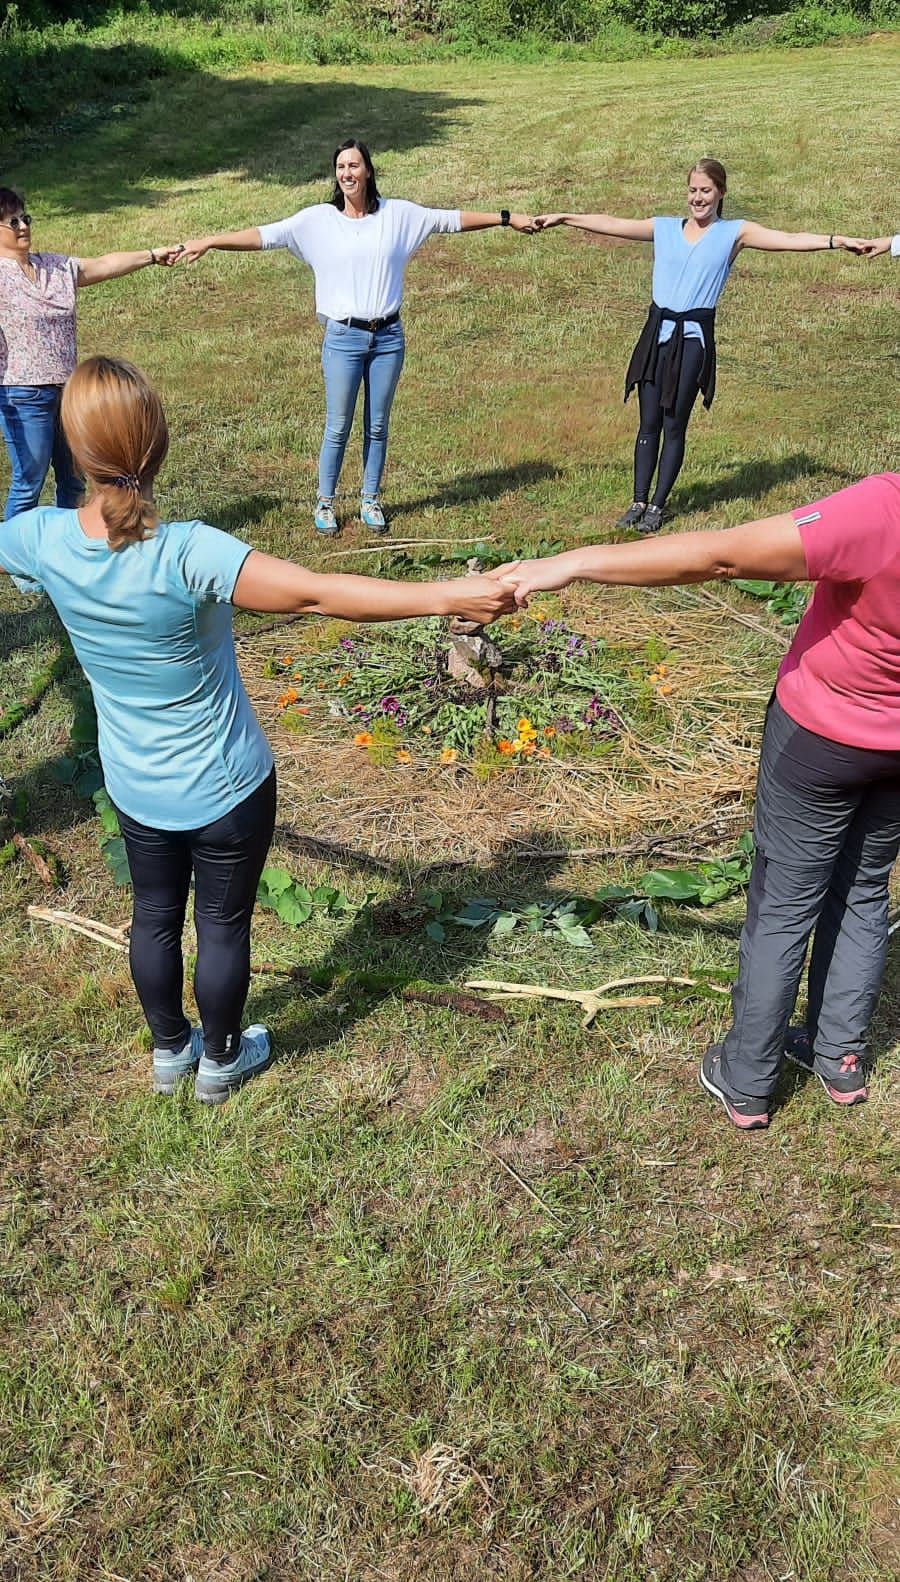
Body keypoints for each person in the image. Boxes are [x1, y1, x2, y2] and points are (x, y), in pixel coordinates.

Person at [0, 355, 514, 1104]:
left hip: (136, 785)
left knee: (152, 916)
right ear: (159, 444)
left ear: (73, 453)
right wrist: (448, 595)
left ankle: (169, 1053)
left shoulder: (40, 538)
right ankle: (220, 1060)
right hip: (226, 787)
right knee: (221, 924)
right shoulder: (190, 552)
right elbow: (318, 594)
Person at [497, 467, 900, 1131]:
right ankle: (841, 1057)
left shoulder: (885, 510)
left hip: (822, 737)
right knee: (863, 888)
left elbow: (721, 555)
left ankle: (748, 1079)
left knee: (785, 903)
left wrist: (571, 563)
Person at [177, 138, 535, 537]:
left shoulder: (399, 216)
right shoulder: (317, 221)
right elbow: (264, 236)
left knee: (378, 425)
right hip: (343, 339)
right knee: (338, 426)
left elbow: (450, 220)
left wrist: (506, 218)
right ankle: (326, 503)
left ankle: (370, 500)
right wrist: (210, 242)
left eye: (354, 165)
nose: (347, 173)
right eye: (341, 167)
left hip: (388, 338)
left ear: (368, 171)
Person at [535, 160, 867, 534]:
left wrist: (835, 241)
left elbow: (789, 239)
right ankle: (638, 501)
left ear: (721, 193)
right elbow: (612, 223)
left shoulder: (735, 233)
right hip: (656, 337)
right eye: (693, 190)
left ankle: (657, 506)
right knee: (648, 423)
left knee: (674, 424)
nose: (698, 198)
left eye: (706, 191)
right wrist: (565, 217)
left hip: (692, 342)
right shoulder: (664, 228)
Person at [0, 186, 181, 521]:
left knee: (74, 479)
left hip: (70, 392)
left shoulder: (54, 266)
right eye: (13, 222)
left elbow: (104, 264)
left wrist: (152, 255)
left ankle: (70, 543)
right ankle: (12, 549)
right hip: (23, 395)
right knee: (29, 481)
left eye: (25, 218)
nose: (23, 226)